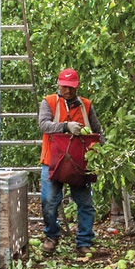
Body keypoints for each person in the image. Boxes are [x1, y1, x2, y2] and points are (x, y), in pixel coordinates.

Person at [38, 67, 104, 258]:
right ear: (59, 84)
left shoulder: (86, 105)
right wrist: (65, 126)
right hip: (52, 160)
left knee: (85, 203)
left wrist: (103, 152)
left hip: (78, 163)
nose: (68, 91)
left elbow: (97, 132)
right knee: (49, 201)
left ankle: (84, 242)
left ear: (77, 86)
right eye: (65, 87)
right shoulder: (49, 102)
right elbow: (44, 125)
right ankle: (51, 236)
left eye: (72, 87)